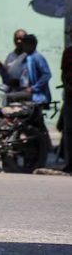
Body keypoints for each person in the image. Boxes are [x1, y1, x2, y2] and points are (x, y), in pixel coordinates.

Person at [12, 34, 51, 105]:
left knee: (9, 97)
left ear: (31, 45)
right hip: (27, 91)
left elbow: (47, 74)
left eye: (25, 44)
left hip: (37, 95)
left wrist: (33, 88)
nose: (23, 47)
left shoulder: (37, 57)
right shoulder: (26, 58)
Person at [61, 26, 72, 173]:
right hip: (70, 96)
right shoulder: (68, 52)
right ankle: (70, 162)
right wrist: (67, 85)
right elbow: (63, 73)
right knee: (68, 131)